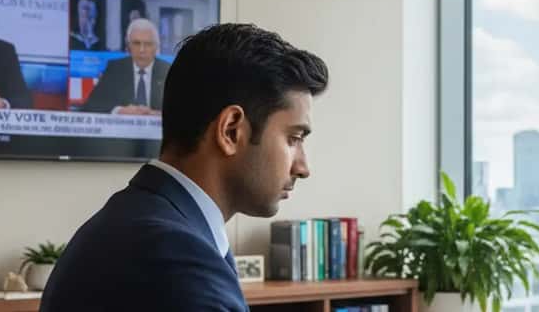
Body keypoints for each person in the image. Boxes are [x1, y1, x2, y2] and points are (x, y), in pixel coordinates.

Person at [41, 23, 329, 312]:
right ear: (230, 131)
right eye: (293, 139)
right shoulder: (177, 261)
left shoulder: (133, 223)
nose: (303, 168)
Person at [81, 18, 169, 114]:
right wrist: (120, 111)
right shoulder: (115, 69)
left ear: (156, 47)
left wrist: (157, 114)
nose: (142, 50)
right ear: (128, 47)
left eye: (148, 44)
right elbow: (90, 106)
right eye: (136, 43)